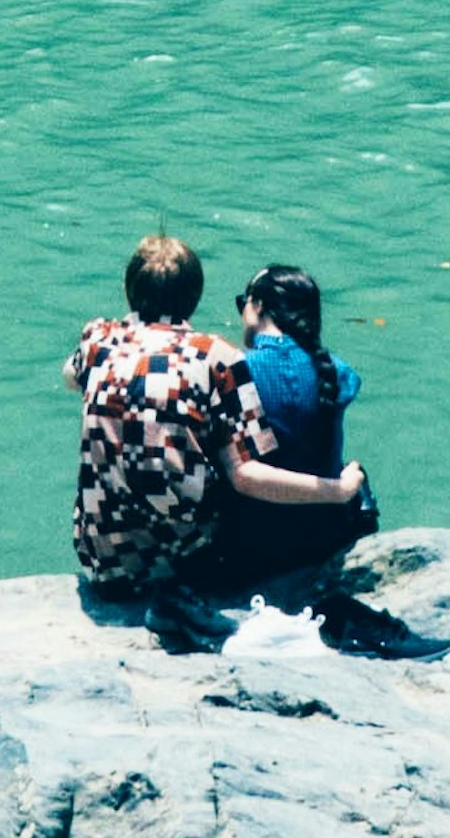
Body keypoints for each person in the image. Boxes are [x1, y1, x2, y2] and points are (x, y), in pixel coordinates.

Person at [63, 230, 367, 634]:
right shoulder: (216, 356)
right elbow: (245, 477)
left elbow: (71, 375)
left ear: (128, 290)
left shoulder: (98, 338)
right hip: (184, 561)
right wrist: (340, 490)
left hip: (104, 562)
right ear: (196, 295)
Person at [211, 261, 377, 601]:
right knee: (356, 470)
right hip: (325, 540)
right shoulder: (338, 371)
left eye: (244, 303)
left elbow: (241, 474)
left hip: (253, 549)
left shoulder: (237, 372)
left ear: (257, 307)